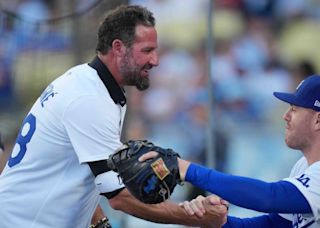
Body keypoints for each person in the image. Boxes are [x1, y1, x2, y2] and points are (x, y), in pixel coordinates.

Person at [0, 5, 227, 228]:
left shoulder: (89, 83)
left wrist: (99, 221)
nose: (155, 60)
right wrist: (196, 217)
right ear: (118, 48)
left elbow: (86, 172)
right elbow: (119, 197)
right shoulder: (89, 99)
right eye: (147, 50)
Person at [143, 75, 320, 227]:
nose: (285, 116)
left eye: (295, 109)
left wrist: (187, 169)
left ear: (319, 120)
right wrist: (220, 223)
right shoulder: (309, 164)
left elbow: (269, 197)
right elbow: (272, 225)